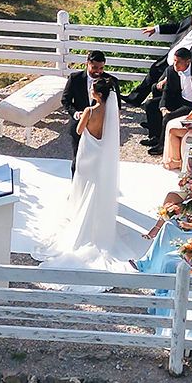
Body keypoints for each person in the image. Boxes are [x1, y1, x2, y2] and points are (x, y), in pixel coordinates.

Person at [41, 69, 127, 268]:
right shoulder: (112, 111)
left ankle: (80, 213)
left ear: (96, 93)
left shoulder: (90, 110)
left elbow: (80, 130)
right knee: (97, 182)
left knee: (83, 180)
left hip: (88, 151)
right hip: (101, 152)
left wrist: (83, 119)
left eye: (92, 89)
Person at [127, 44, 192, 154]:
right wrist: (163, 107)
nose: (175, 64)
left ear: (188, 62)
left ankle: (162, 145)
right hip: (178, 100)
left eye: (178, 62)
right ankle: (154, 136)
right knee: (150, 104)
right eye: (174, 60)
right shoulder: (171, 70)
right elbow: (167, 92)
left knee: (168, 117)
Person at [59, 50, 114, 167]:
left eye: (101, 68)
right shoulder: (75, 78)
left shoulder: (110, 81)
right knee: (78, 160)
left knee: (99, 162)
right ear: (87, 63)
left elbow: (116, 106)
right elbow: (65, 100)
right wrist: (75, 114)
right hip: (79, 125)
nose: (98, 72)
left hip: (100, 129)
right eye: (94, 68)